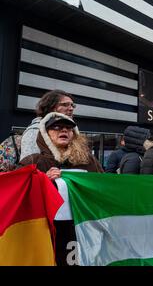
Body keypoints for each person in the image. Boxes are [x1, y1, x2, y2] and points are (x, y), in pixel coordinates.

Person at [19, 112, 103, 266]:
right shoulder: (33, 161)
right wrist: (42, 180)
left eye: (68, 128)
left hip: (80, 228)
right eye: (56, 127)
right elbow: (19, 192)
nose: (63, 131)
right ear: (45, 134)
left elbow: (103, 187)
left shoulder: (88, 161)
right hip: (45, 230)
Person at [20, 90, 75, 161]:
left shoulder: (72, 129)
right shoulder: (35, 130)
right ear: (51, 107)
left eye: (72, 105)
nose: (71, 109)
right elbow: (28, 165)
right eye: (65, 105)